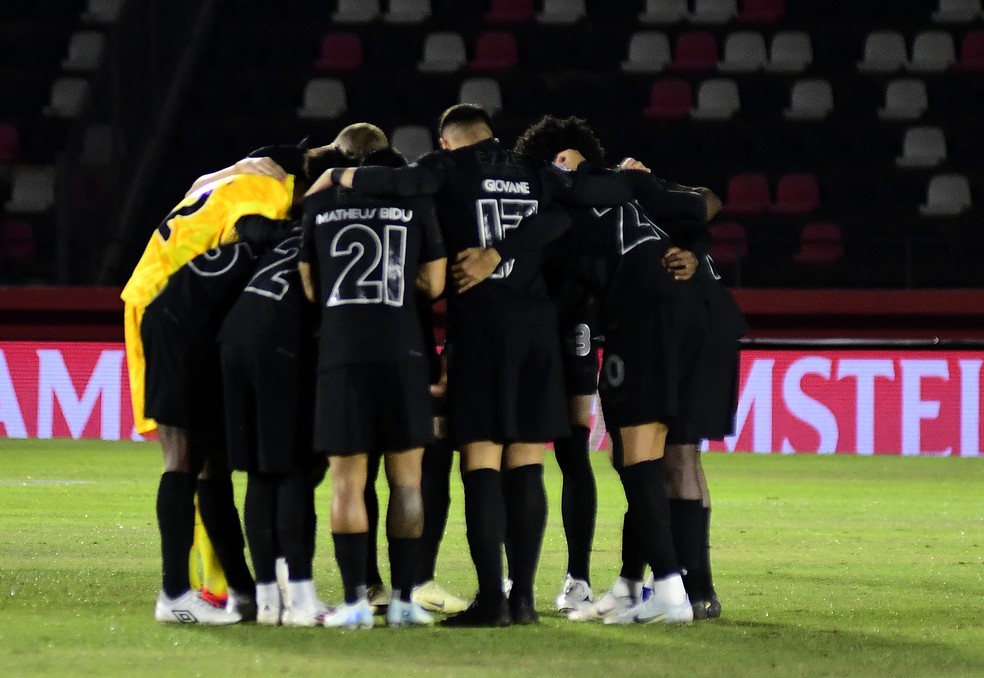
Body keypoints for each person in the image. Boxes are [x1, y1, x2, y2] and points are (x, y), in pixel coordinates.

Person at [458, 115, 718, 624]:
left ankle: (649, 588)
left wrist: (687, 240)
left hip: (615, 325)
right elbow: (699, 206)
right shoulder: (613, 189)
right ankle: (636, 585)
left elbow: (704, 201)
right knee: (636, 459)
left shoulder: (603, 189)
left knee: (627, 457)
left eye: (565, 160)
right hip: (625, 323)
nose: (559, 168)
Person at [121, 144, 307, 623]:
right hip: (173, 314)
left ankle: (230, 588)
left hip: (164, 304)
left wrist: (234, 165)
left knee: (206, 458)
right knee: (189, 458)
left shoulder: (224, 182)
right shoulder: (269, 192)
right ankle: (191, 591)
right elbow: (255, 233)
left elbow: (197, 189)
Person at [298, 147, 447, 629]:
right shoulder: (418, 203)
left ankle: (356, 603)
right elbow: (436, 283)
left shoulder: (319, 206)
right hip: (405, 354)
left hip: (343, 355)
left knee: (348, 483)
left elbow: (309, 287)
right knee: (407, 482)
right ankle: (405, 602)